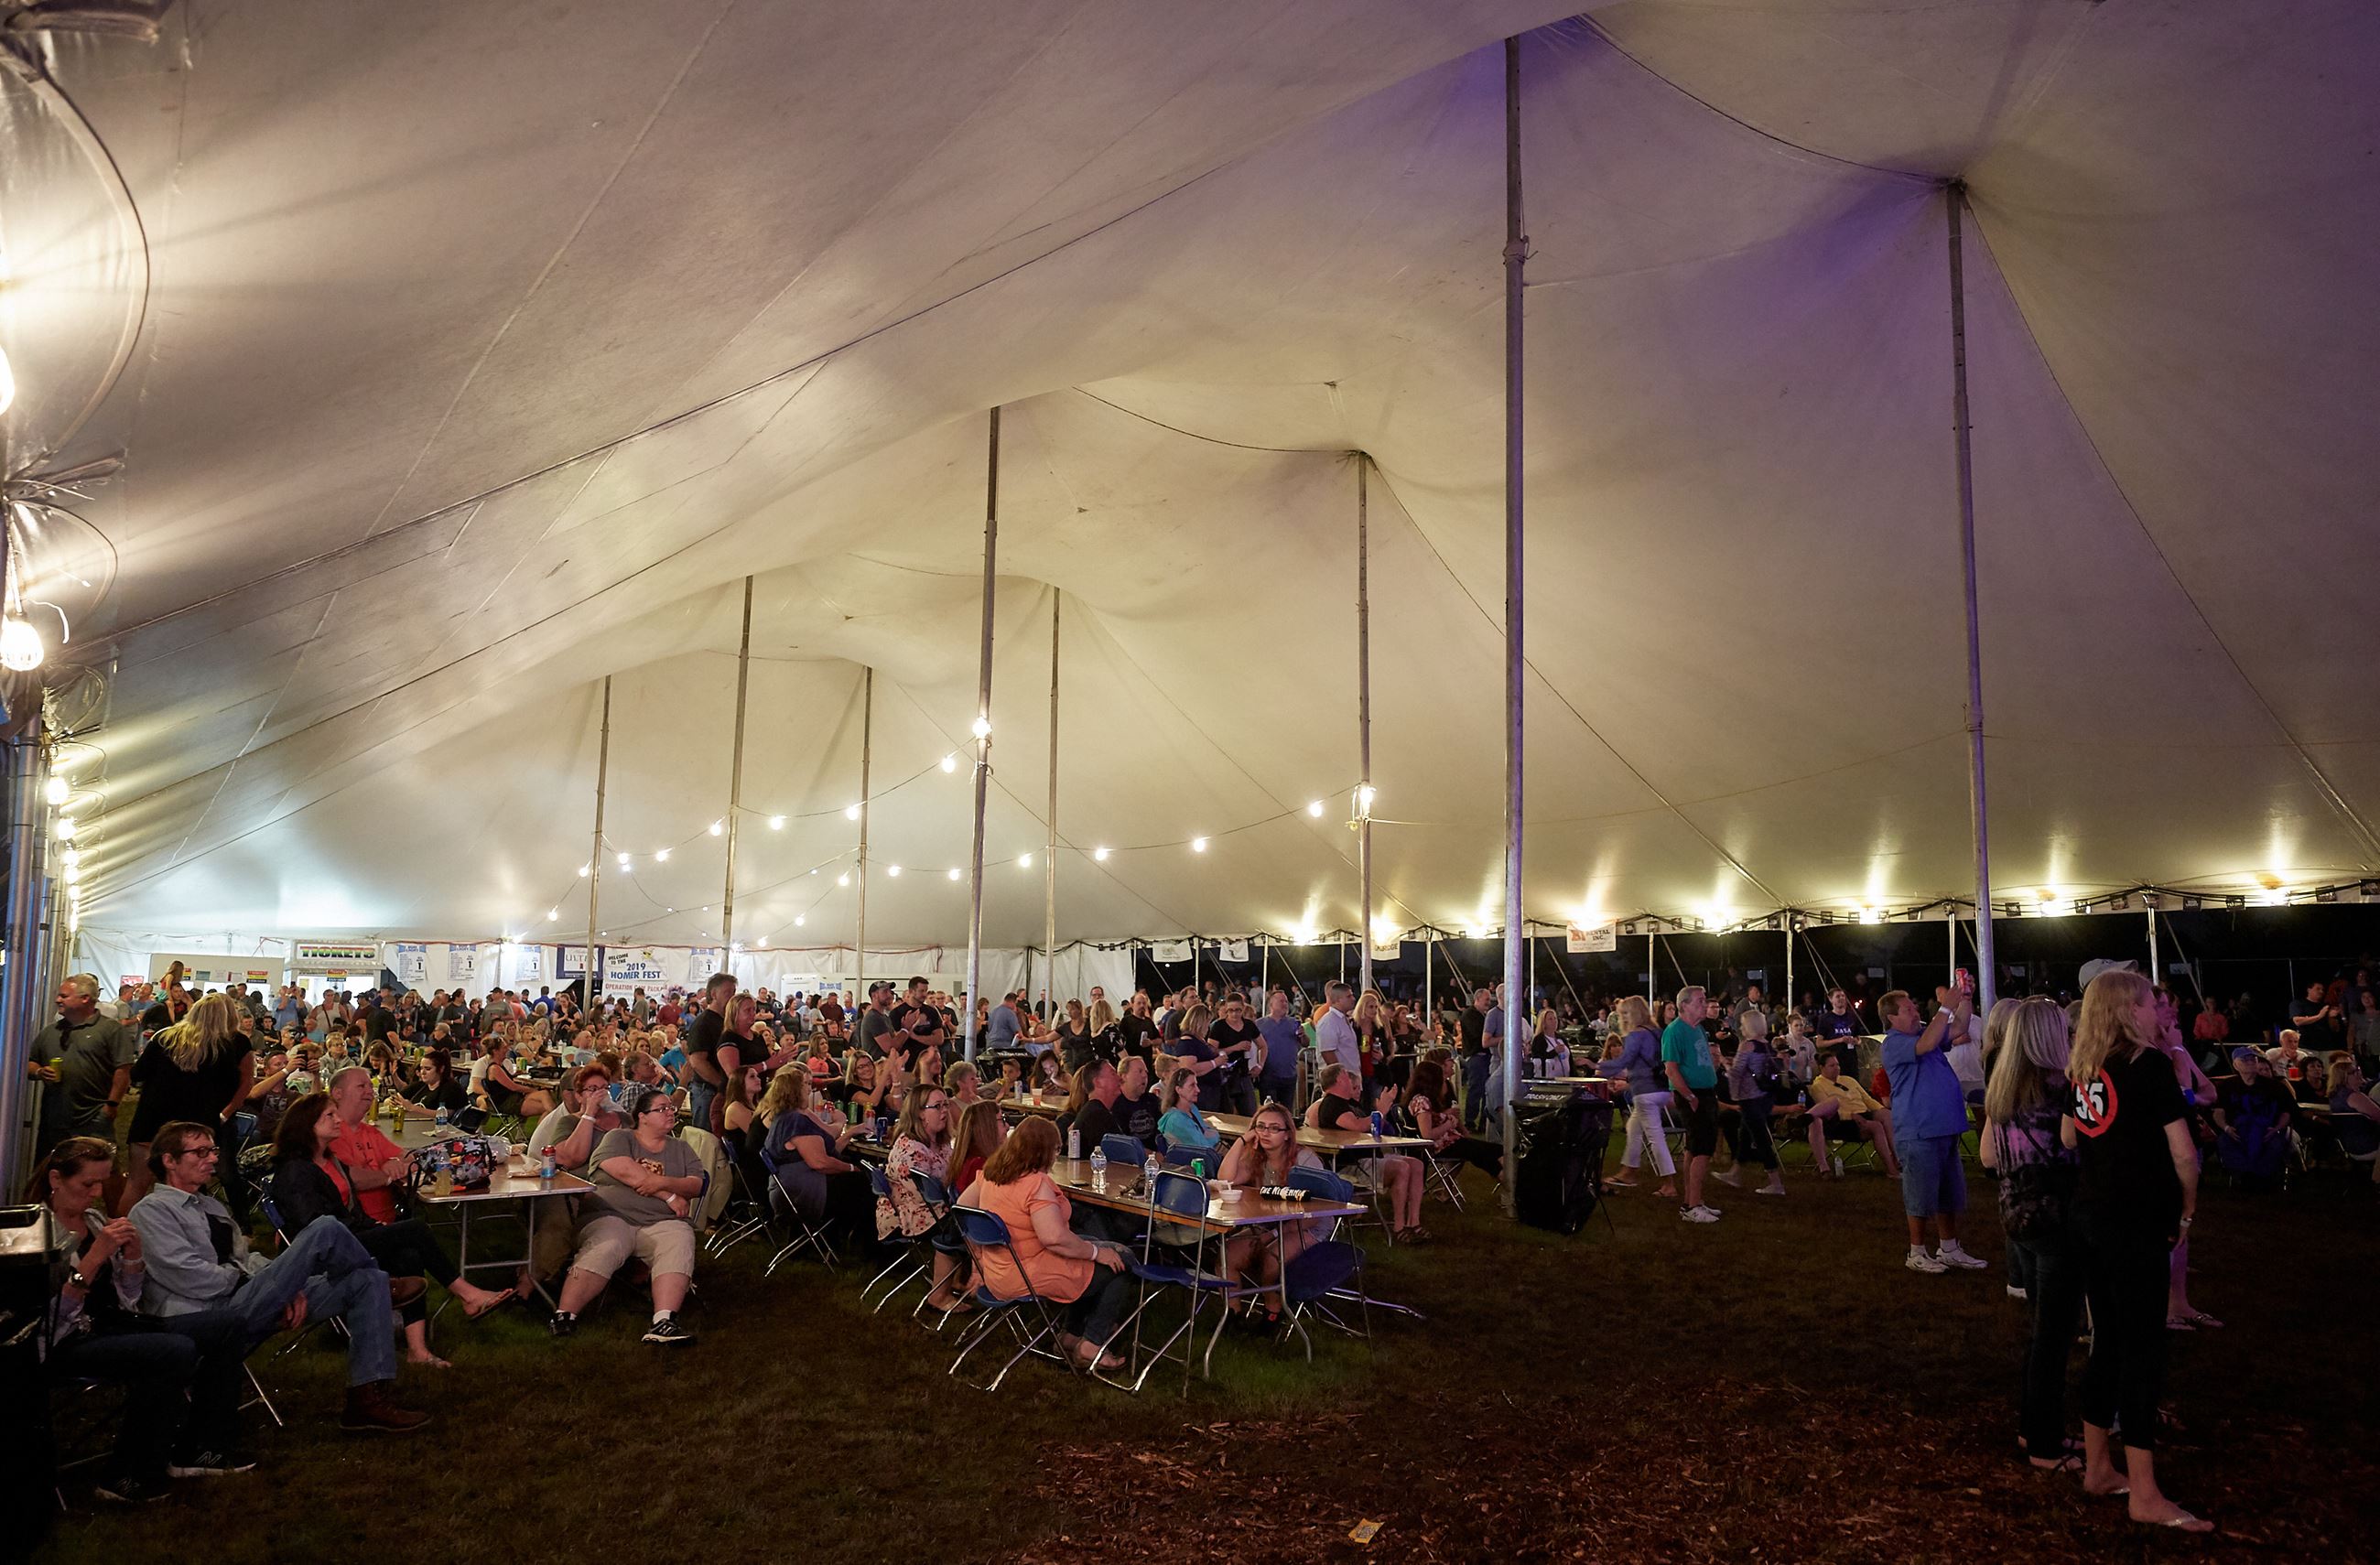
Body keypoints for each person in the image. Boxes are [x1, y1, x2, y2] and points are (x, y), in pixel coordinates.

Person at [128, 1120, 427, 1431]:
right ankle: (381, 1283)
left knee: (368, 1282)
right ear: (169, 1160)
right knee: (325, 1228)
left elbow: (245, 1259)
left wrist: (283, 1284)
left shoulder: (210, 1206)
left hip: (248, 1298)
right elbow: (188, 1277)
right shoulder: (151, 1211)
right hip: (208, 1316)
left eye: (213, 1150)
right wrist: (269, 1285)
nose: (214, 1159)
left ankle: (366, 1402)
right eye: (201, 1152)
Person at [2062, 968, 2212, 1533]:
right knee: (2143, 1352)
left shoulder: (2082, 1069)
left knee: (2109, 1344)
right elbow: (2184, 1155)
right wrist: (2188, 1207)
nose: (2157, 1011)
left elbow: (2071, 1137)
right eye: (2150, 1002)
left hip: (2091, 1221)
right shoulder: (2148, 1066)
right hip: (2136, 1225)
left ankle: (2098, 1469)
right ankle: (2144, 1494)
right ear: (2129, 1010)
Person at [34, 1135, 224, 1501]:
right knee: (172, 1351)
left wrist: (133, 1257)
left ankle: (198, 1447)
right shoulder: (37, 1235)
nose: (95, 1193)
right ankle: (125, 1473)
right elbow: (49, 1319)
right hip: (64, 1341)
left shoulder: (92, 1219)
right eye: (87, 1183)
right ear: (56, 1180)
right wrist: (94, 1258)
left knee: (222, 1326)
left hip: (111, 1325)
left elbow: (127, 1297)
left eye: (102, 1183)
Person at [269, 1091, 510, 1365]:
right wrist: (370, 1231)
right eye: (330, 1115)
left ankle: (417, 1350)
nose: (338, 1120)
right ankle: (468, 1294)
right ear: (307, 1125)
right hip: (323, 1253)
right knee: (415, 1228)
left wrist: (374, 1226)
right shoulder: (295, 1171)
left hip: (347, 1237)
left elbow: (348, 1210)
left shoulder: (329, 1160)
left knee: (410, 1254)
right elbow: (314, 1226)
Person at [1978, 998, 2085, 1469]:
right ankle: (2044, 1443)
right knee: (2053, 1337)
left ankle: (2033, 1429)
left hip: (2016, 1215)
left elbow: (1987, 1158)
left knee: (2045, 1332)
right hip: (2056, 1218)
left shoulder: (2004, 1087)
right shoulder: (2059, 1088)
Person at [956, 1116, 1131, 1371]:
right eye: (1056, 1149)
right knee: (1122, 1261)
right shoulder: (1035, 1184)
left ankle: (1072, 1333)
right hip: (1027, 1272)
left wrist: (979, 1259)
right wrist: (1095, 1253)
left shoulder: (991, 1176)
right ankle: (1091, 1342)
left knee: (1100, 1246)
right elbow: (1053, 1238)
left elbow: (962, 1210)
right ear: (1044, 1150)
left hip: (999, 1270)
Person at [550, 1084, 703, 1344]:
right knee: (610, 1243)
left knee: (679, 1239)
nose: (670, 1113)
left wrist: (661, 1182)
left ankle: (663, 1321)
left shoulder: (681, 1148)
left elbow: (696, 1184)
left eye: (671, 1108)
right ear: (642, 1117)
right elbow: (619, 1167)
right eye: (662, 1109)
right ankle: (565, 1315)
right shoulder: (620, 1138)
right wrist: (666, 1194)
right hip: (613, 1215)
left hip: (661, 1221)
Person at [1879, 986, 1986, 1273]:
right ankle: (1916, 1252)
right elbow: (1927, 1044)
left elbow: (1960, 1026)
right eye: (1908, 1010)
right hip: (1919, 1129)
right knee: (1920, 1194)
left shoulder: (1925, 1034)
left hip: (1944, 1126)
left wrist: (1965, 998)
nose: (1915, 1013)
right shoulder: (1894, 1043)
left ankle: (1949, 1248)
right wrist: (1944, 1007)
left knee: (1948, 1193)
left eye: (1915, 1007)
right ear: (1891, 1018)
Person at [124, 993, 254, 1209]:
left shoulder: (164, 1037)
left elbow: (137, 1073)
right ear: (228, 1016)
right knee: (188, 1187)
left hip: (151, 1121)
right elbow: (241, 1083)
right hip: (193, 1128)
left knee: (136, 1185)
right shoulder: (228, 1046)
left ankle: (121, 1236)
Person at [1216, 1102, 1327, 1305]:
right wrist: (1241, 1141)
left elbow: (1317, 1214)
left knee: (1272, 1257)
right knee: (1227, 1254)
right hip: (1268, 1223)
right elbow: (1226, 1179)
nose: (1266, 1133)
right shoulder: (1256, 1159)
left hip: (1308, 1226)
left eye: (1274, 1128)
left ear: (1287, 1134)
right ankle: (1232, 1315)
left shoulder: (1305, 1160)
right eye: (1260, 1127)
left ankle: (1272, 1312)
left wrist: (1272, 1234)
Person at [1306, 1063, 1426, 1242]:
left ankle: (1413, 1222)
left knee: (1417, 1164)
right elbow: (1359, 1126)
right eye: (1347, 1076)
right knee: (1401, 1168)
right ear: (1339, 1080)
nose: (1352, 1082)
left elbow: (1371, 1129)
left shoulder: (1346, 1104)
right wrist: (1381, 1110)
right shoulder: (1332, 1104)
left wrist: (1381, 1112)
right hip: (1351, 1166)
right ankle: (1399, 1227)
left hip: (1366, 1158)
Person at [28, 973, 138, 1160]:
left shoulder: (110, 1030)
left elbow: (123, 1070)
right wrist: (39, 1071)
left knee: (95, 1172)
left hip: (94, 1119)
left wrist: (111, 1106)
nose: (57, 1000)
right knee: (52, 1171)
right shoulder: (50, 1032)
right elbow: (30, 1063)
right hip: (54, 1121)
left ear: (85, 998)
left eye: (64, 996)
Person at [878, 1085, 968, 1311]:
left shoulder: (941, 1142)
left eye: (946, 1104)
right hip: (908, 1214)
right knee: (963, 1224)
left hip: (934, 1207)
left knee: (971, 1214)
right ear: (919, 1113)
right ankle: (939, 1295)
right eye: (937, 1106)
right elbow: (923, 1195)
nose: (944, 1111)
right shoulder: (910, 1148)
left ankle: (960, 1280)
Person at [758, 1068, 871, 1239]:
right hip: (802, 1193)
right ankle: (863, 1242)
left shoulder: (784, 1117)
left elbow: (826, 1153)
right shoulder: (795, 1121)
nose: (809, 1090)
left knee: (860, 1177)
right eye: (806, 1086)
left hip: (791, 1188)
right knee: (864, 1183)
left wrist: (848, 1135)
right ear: (795, 1091)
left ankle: (840, 1238)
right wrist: (850, 1168)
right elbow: (820, 1162)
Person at [1600, 996, 1677, 1197]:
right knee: (1633, 1127)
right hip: (1661, 1088)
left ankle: (1668, 1184)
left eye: (1625, 1013)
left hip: (1645, 1091)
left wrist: (1596, 1066)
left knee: (1655, 1137)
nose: (1623, 1018)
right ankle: (1628, 1171)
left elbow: (1623, 1061)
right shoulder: (1657, 1032)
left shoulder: (1635, 1035)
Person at [1662, 987, 1725, 1224]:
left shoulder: (1697, 1029)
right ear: (1684, 1005)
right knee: (1702, 1150)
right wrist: (1689, 1096)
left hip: (1705, 1093)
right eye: (1699, 1000)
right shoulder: (1674, 1031)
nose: (1704, 1003)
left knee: (1693, 1148)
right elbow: (1671, 1068)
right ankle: (1693, 1206)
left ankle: (1691, 1200)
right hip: (1692, 1096)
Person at [1715, 1014, 1786, 1197]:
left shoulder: (1747, 1045)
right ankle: (1734, 1174)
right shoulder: (1766, 1045)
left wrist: (1725, 1064)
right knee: (1745, 1136)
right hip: (1765, 1097)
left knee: (1760, 1139)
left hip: (1750, 1097)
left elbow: (1737, 1072)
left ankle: (1776, 1183)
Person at [1806, 1054, 1902, 1176]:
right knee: (1876, 1126)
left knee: (1886, 1115)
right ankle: (1891, 1169)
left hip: (1863, 1112)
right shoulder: (1818, 1086)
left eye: (1837, 1064)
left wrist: (1881, 1109)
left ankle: (1897, 1158)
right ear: (1822, 1068)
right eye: (1832, 1066)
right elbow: (1827, 1109)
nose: (1836, 1068)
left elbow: (1867, 1100)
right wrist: (1851, 1115)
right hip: (1843, 1120)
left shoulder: (1848, 1080)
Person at [1408, 1055, 1500, 1180]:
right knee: (1481, 1152)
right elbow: (1427, 1135)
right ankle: (1506, 1180)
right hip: (1440, 1147)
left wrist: (1448, 1120)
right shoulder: (1421, 1102)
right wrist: (1448, 1125)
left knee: (1489, 1150)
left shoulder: (1428, 1100)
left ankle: (1506, 1175)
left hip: (1450, 1141)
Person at [2212, 1047, 2294, 1184]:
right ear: (2235, 1065)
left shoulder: (2275, 1086)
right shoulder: (2227, 1086)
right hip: (2236, 1131)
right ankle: (2246, 1175)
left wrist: (2276, 1128)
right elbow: (2219, 1111)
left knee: (2275, 1144)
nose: (2250, 1062)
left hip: (2269, 1130)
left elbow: (2287, 1111)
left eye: (2253, 1059)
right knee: (2224, 1142)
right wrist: (2226, 1128)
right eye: (2245, 1059)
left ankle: (2261, 1177)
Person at [2327, 1057, 2380, 1182]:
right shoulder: (2354, 1097)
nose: (2359, 1073)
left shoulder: (2335, 1097)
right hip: (2370, 1144)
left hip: (2350, 1145)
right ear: (2345, 1076)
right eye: (2355, 1071)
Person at [1208, 994, 1263, 1114]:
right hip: (1225, 1075)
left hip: (1243, 1074)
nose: (1234, 1014)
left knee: (1250, 1112)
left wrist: (1260, 1065)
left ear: (1243, 1008)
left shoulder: (1249, 1025)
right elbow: (1211, 1051)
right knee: (1227, 1113)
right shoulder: (1219, 1026)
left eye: (1237, 1010)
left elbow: (1263, 1046)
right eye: (1231, 1010)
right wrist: (1234, 1048)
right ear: (1226, 1009)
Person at [1254, 989, 1303, 1108]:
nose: (1285, 1004)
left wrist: (1303, 1035)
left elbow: (1305, 1043)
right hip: (1268, 1075)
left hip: (1289, 1074)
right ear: (1271, 1004)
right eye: (1281, 1001)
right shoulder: (1259, 1024)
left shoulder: (1294, 1023)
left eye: (1286, 1001)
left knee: (1287, 1111)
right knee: (1270, 1110)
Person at [947, 1098, 1005, 1196]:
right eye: (1002, 1120)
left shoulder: (968, 1156)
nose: (1007, 1126)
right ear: (988, 1126)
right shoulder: (979, 1165)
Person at [1156, 1066, 1219, 1153]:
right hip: (1193, 1163)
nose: (1198, 1090)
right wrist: (1214, 1135)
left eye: (1196, 1085)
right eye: (1192, 1085)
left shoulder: (1192, 1108)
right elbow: (1203, 1147)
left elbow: (1205, 1129)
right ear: (1179, 1090)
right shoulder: (1176, 1120)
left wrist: (1206, 1134)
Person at [1111, 1054, 1162, 1148]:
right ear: (1123, 1076)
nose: (1144, 1076)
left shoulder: (1152, 1101)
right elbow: (1122, 1143)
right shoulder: (1115, 1104)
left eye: (1146, 1072)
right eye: (1139, 1071)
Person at [404, 1047, 470, 1117]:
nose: (423, 1072)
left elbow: (445, 1115)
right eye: (421, 1068)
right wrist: (393, 1100)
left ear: (441, 1069)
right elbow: (399, 1096)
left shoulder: (451, 1088)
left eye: (428, 1069)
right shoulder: (421, 1085)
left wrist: (413, 1108)